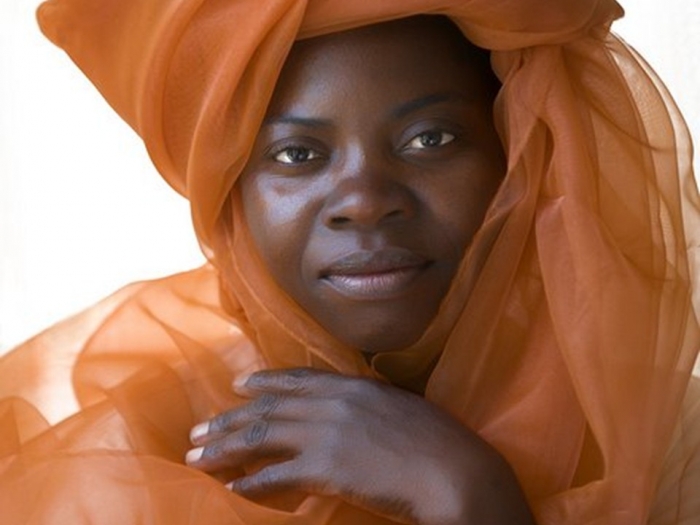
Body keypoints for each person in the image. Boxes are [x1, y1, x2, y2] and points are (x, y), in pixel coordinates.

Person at [1, 0, 699, 523]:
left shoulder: (669, 441)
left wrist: (469, 494)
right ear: (229, 198)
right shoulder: (132, 459)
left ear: (519, 156)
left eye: (430, 139)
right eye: (296, 154)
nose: (364, 202)